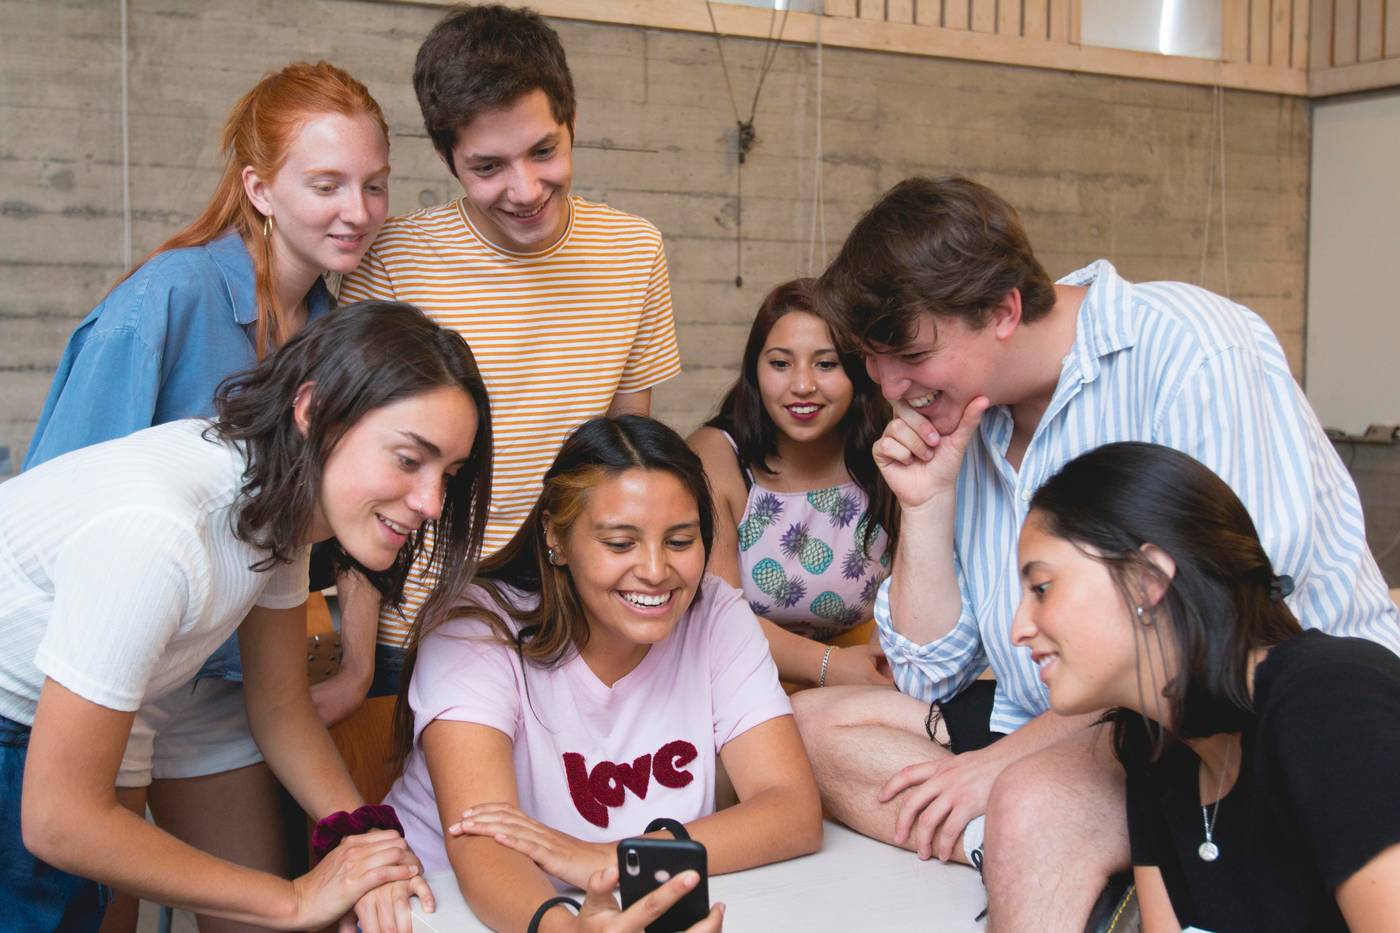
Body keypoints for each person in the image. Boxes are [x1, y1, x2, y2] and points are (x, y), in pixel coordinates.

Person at [793, 175, 1400, 930]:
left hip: (1224, 714)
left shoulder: (1192, 350)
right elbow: (928, 672)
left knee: (1029, 798)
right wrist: (924, 506)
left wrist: (1000, 769)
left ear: (1004, 309)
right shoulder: (963, 421)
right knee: (809, 728)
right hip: (1068, 709)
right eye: (871, 362)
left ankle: (1040, 843)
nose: (889, 387)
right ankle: (1038, 852)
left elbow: (1231, 612)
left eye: (910, 354)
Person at [21, 61, 392, 933]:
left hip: (226, 670)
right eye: (327, 184)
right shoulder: (164, 300)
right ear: (260, 189)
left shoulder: (336, 330)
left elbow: (325, 524)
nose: (358, 211)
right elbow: (69, 504)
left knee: (262, 915)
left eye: (375, 185)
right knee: (102, 909)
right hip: (99, 663)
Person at [0, 301, 493, 931]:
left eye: (448, 474)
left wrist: (367, 841)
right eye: (407, 459)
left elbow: (281, 704)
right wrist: (292, 900)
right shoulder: (161, 532)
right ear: (313, 410)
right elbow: (59, 819)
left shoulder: (273, 499)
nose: (430, 502)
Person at [337, 3, 682, 705]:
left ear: (572, 124)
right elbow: (353, 479)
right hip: (417, 631)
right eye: (488, 166)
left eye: (543, 151)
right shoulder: (394, 261)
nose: (524, 190)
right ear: (446, 158)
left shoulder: (634, 252)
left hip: (568, 627)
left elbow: (621, 470)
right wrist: (357, 664)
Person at [383, 416, 822, 932]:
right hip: (442, 908)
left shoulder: (716, 614)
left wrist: (608, 858)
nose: (656, 571)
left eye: (680, 541)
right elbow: (483, 845)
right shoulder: (475, 632)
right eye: (620, 543)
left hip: (616, 907)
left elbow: (791, 810)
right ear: (556, 535)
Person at [1012, 442, 1400, 932]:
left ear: (1145, 579)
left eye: (1042, 588)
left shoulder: (1330, 701)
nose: (1018, 628)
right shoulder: (1153, 747)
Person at [687, 278, 897, 688]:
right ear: (755, 371)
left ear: (857, 371)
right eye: (781, 364)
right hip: (738, 678)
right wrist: (830, 667)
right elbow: (716, 618)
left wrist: (874, 668)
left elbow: (912, 600)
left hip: (869, 673)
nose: (802, 385)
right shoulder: (717, 457)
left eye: (826, 364)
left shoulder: (886, 450)